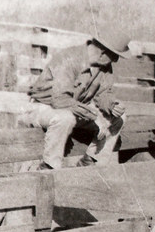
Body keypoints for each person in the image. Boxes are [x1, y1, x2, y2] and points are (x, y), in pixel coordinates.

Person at [18, 32, 130, 170]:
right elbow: (60, 99)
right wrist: (94, 116)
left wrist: (111, 106)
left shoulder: (104, 67)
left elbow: (104, 93)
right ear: (103, 52)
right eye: (115, 56)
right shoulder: (68, 58)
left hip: (74, 110)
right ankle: (49, 168)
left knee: (120, 118)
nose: (115, 60)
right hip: (43, 107)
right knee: (65, 118)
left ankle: (90, 163)